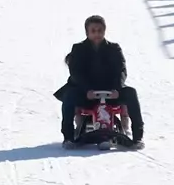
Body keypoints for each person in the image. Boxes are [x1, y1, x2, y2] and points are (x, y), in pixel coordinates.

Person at [53, 15, 144, 149]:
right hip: (86, 93)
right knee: (70, 95)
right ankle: (68, 137)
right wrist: (87, 90)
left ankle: (137, 137)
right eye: (93, 31)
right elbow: (76, 72)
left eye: (100, 30)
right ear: (87, 32)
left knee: (131, 93)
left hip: (110, 93)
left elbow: (121, 70)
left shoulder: (114, 48)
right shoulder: (78, 49)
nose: (97, 34)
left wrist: (116, 89)